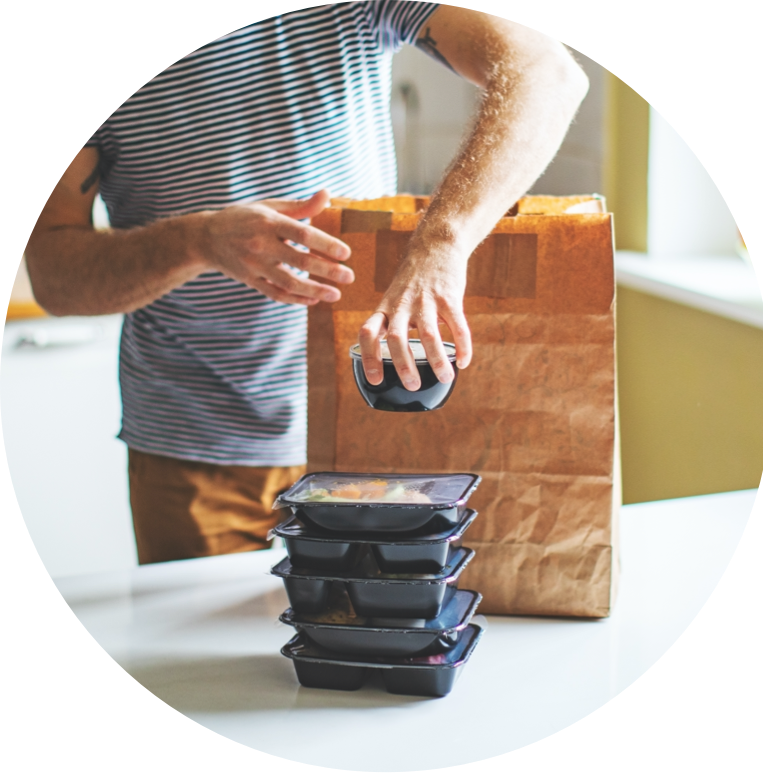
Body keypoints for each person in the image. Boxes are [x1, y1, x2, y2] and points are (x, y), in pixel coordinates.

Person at [25, 3, 588, 564]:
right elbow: (55, 276)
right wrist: (195, 241)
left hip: (375, 433)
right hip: (196, 453)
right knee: (203, 654)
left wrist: (442, 241)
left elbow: (547, 72)